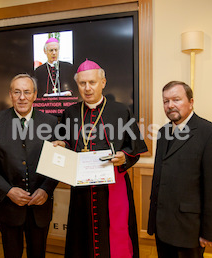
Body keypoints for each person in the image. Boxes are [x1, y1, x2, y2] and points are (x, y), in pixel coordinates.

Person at [53, 59, 148, 258]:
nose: (87, 88)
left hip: (113, 187)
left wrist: (124, 157)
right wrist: (63, 145)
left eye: (92, 82)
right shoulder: (69, 113)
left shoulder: (121, 111)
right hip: (81, 189)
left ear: (103, 82)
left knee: (115, 234)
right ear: (77, 85)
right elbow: (67, 144)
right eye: (82, 83)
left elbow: (135, 148)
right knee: (82, 235)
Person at [0, 74, 58, 258]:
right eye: (17, 92)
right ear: (10, 95)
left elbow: (57, 163)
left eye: (27, 92)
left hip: (40, 207)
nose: (22, 97)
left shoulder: (51, 122)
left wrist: (46, 190)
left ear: (35, 95)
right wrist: (8, 191)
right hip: (8, 208)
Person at [147, 81, 212, 258]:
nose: (170, 105)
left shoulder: (211, 134)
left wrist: (210, 231)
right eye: (166, 101)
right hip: (163, 225)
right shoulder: (162, 133)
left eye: (176, 99)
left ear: (191, 102)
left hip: (189, 229)